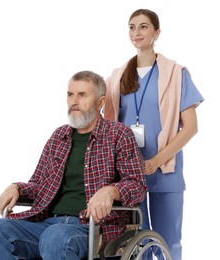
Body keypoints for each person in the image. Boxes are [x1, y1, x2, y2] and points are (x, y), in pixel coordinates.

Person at [0, 70, 147, 260]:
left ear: (100, 102)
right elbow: (39, 185)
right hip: (47, 222)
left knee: (55, 237)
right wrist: (16, 187)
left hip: (91, 227)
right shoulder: (59, 137)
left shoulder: (119, 135)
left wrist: (111, 191)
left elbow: (137, 185)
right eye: (70, 95)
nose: (74, 101)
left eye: (82, 95)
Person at [103, 9, 204, 260]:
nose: (136, 33)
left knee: (169, 243)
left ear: (157, 32)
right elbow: (108, 125)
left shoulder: (176, 73)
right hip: (128, 173)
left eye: (143, 27)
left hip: (164, 170)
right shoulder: (117, 77)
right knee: (135, 243)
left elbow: (190, 127)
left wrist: (157, 160)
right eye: (132, 27)